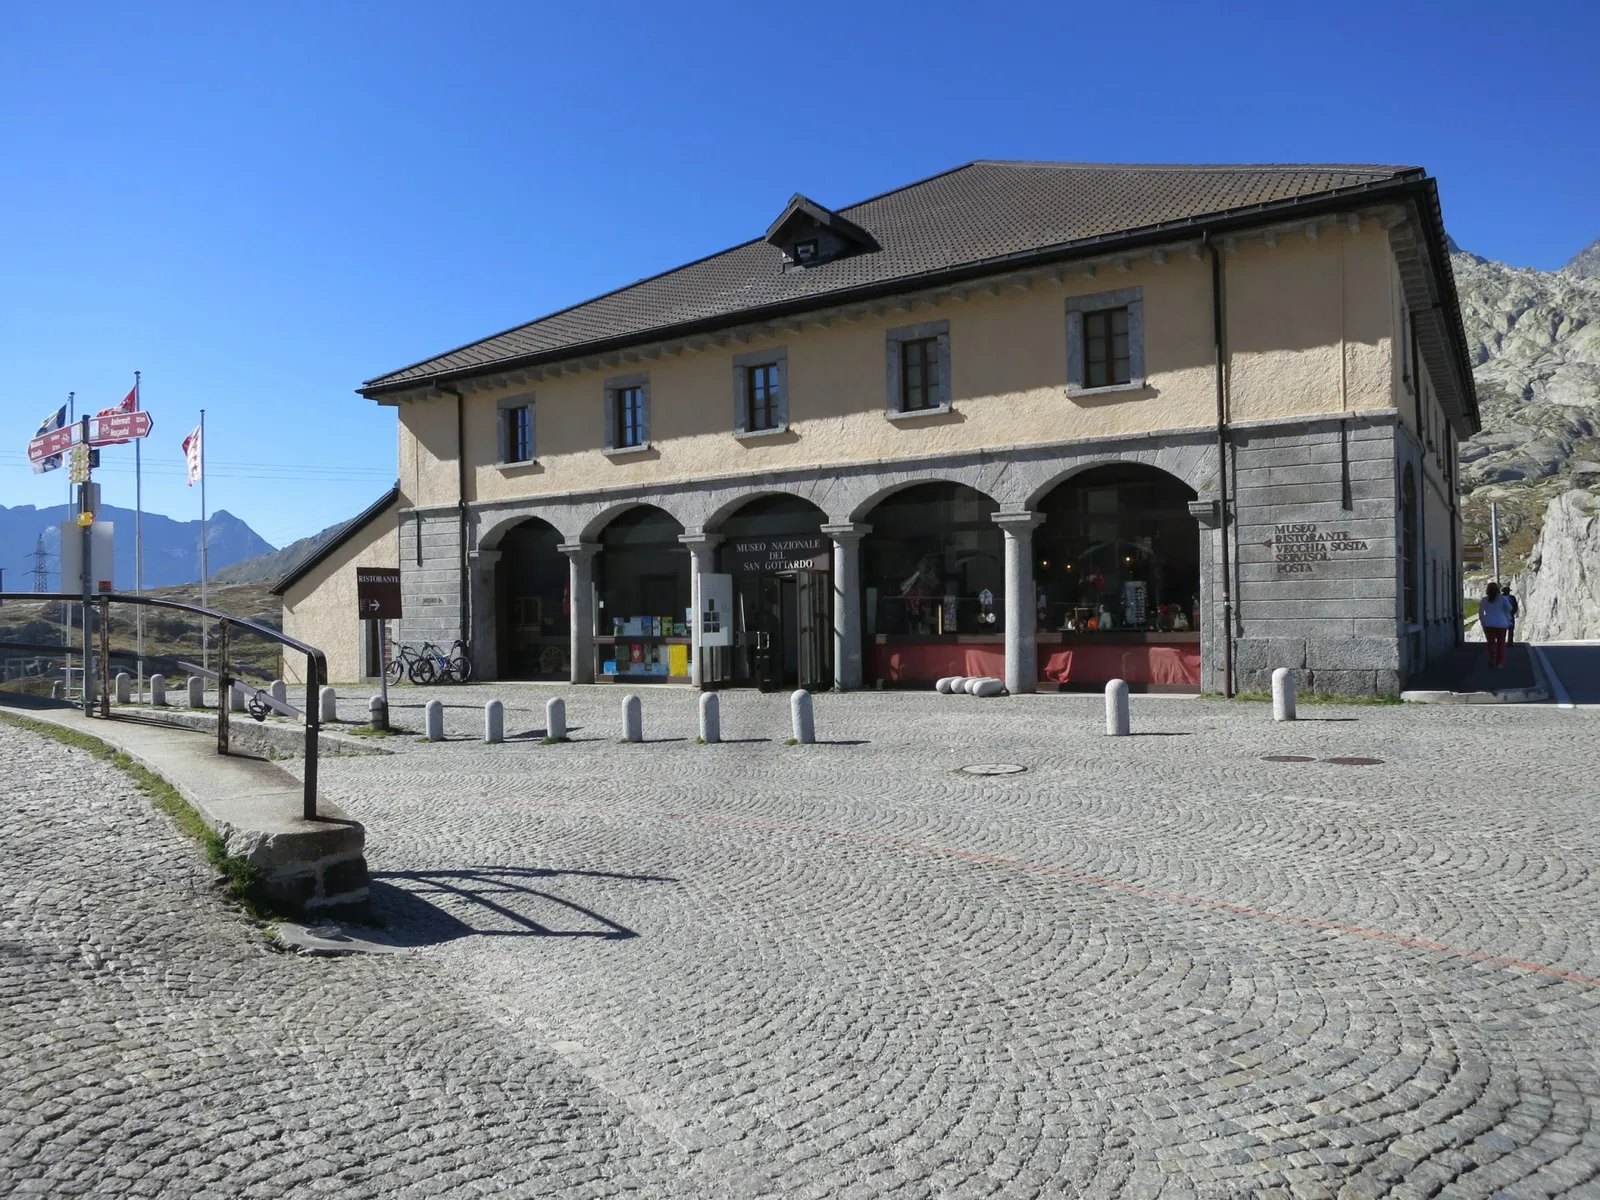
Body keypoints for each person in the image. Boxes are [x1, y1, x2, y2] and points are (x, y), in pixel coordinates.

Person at [1480, 582, 1513, 669]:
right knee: (1501, 643)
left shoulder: (1484, 600)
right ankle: (1500, 663)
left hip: (1489, 624)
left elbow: (1481, 613)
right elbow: (1509, 609)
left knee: (1491, 642)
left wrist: (1483, 622)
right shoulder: (1502, 599)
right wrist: (1504, 614)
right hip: (1501, 624)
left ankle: (1493, 654)